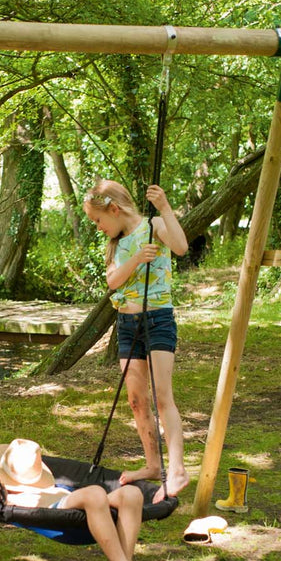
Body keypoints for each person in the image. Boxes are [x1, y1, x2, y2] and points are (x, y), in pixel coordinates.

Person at [83, 179, 190, 503]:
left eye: (98, 220)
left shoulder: (154, 226)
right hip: (127, 325)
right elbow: (113, 281)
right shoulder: (116, 244)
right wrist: (136, 259)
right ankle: (153, 465)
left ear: (113, 209)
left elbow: (181, 247)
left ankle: (177, 470)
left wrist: (165, 207)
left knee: (162, 397)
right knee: (136, 400)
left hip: (157, 319)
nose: (98, 227)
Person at [0, 438, 164, 561]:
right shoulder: (11, 496)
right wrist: (0, 497)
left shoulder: (50, 487)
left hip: (84, 506)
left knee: (132, 494)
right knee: (95, 493)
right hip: (58, 513)